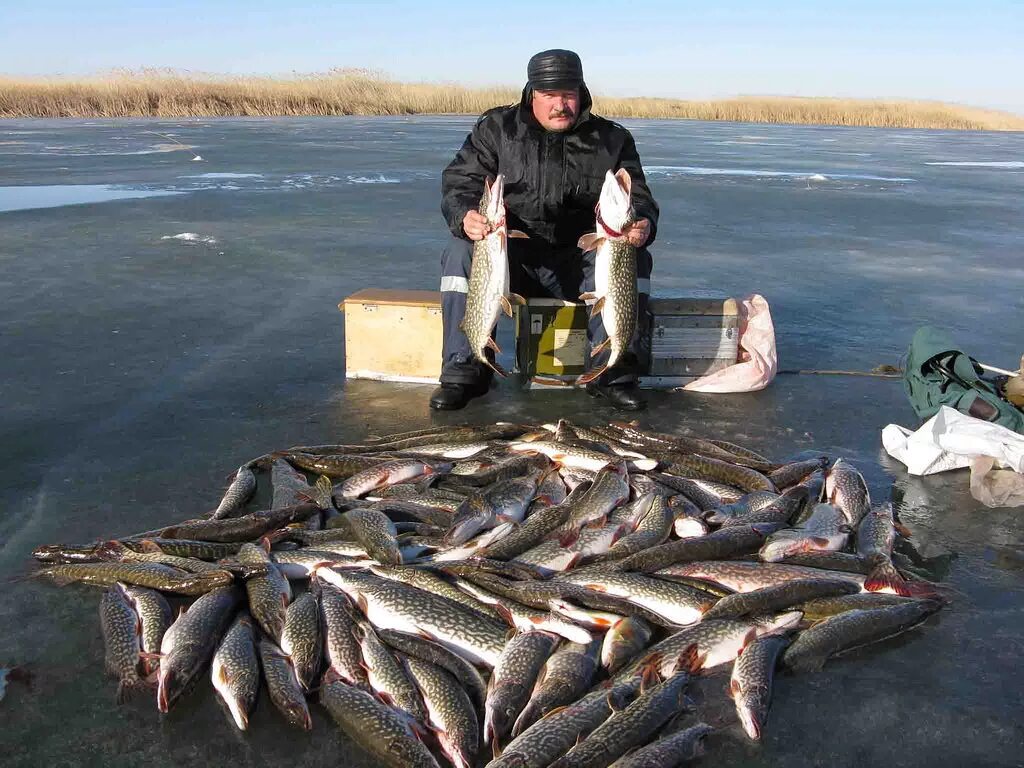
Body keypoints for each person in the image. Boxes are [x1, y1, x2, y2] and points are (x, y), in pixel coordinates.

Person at [431, 49, 659, 412]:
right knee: (460, 251)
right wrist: (465, 216)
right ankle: (466, 369)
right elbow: (461, 182)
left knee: (634, 257)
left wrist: (643, 221)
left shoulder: (611, 139)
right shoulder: (497, 129)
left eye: (568, 94)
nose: (560, 105)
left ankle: (613, 373)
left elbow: (639, 195)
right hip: (513, 260)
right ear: (531, 93)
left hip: (578, 262)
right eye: (549, 95)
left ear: (581, 92)